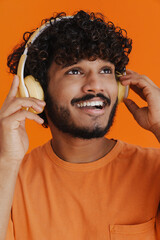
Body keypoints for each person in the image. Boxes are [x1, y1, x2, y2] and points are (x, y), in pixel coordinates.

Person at [0, 10, 160, 240]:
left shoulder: (155, 169)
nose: (95, 85)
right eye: (75, 71)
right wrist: (7, 161)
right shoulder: (10, 179)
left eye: (106, 70)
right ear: (38, 90)